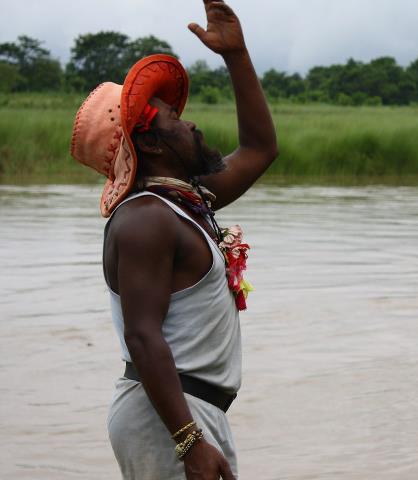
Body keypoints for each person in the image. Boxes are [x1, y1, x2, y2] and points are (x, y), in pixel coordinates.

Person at [69, 1, 277, 478]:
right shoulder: (146, 220)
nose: (190, 123)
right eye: (172, 119)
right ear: (153, 145)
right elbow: (143, 337)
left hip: (186, 410)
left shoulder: (184, 204)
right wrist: (189, 442)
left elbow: (260, 149)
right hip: (168, 417)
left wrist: (237, 56)